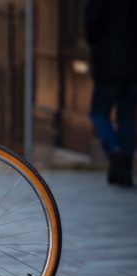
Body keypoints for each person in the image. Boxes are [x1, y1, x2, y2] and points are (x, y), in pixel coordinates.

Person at [85, 0, 137, 187]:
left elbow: (92, 27)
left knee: (98, 112)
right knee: (126, 118)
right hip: (132, 65)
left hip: (107, 64)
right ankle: (124, 170)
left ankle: (114, 150)